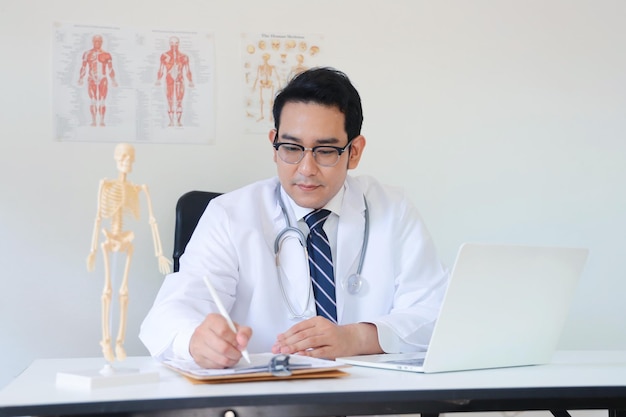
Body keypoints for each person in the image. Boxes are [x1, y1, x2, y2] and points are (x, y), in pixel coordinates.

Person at [140, 67, 449, 369]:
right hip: (263, 402)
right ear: (274, 145)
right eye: (291, 148)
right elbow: (169, 313)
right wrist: (196, 340)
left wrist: (356, 338)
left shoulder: (392, 210)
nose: (306, 168)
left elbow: (436, 313)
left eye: (325, 151)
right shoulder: (230, 215)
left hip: (365, 398)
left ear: (354, 151)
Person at [87, 143, 171, 363]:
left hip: (126, 240)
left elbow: (152, 220)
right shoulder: (105, 185)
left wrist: (160, 253)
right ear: (117, 159)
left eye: (130, 157)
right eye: (123, 157)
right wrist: (93, 249)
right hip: (109, 238)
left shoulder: (139, 188)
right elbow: (98, 217)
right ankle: (106, 341)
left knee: (123, 292)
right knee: (107, 291)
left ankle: (119, 343)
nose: (127, 162)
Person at [78, 34, 118, 127]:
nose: (98, 43)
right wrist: (81, 78)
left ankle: (102, 121)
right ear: (92, 42)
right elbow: (83, 67)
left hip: (103, 79)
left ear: (102, 42)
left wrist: (113, 80)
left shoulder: (106, 54)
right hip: (91, 78)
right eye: (96, 41)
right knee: (93, 100)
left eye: (100, 41)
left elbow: (110, 68)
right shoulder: (87, 53)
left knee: (102, 101)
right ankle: (93, 121)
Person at [155, 36, 194, 127]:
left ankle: (179, 121)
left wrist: (190, 81)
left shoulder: (184, 57)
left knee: (179, 101)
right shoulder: (164, 56)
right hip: (169, 80)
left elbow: (187, 70)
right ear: (169, 43)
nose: (174, 45)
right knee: (170, 101)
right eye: (172, 43)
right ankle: (171, 121)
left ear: (179, 44)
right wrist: (158, 79)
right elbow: (161, 69)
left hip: (180, 80)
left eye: (176, 43)